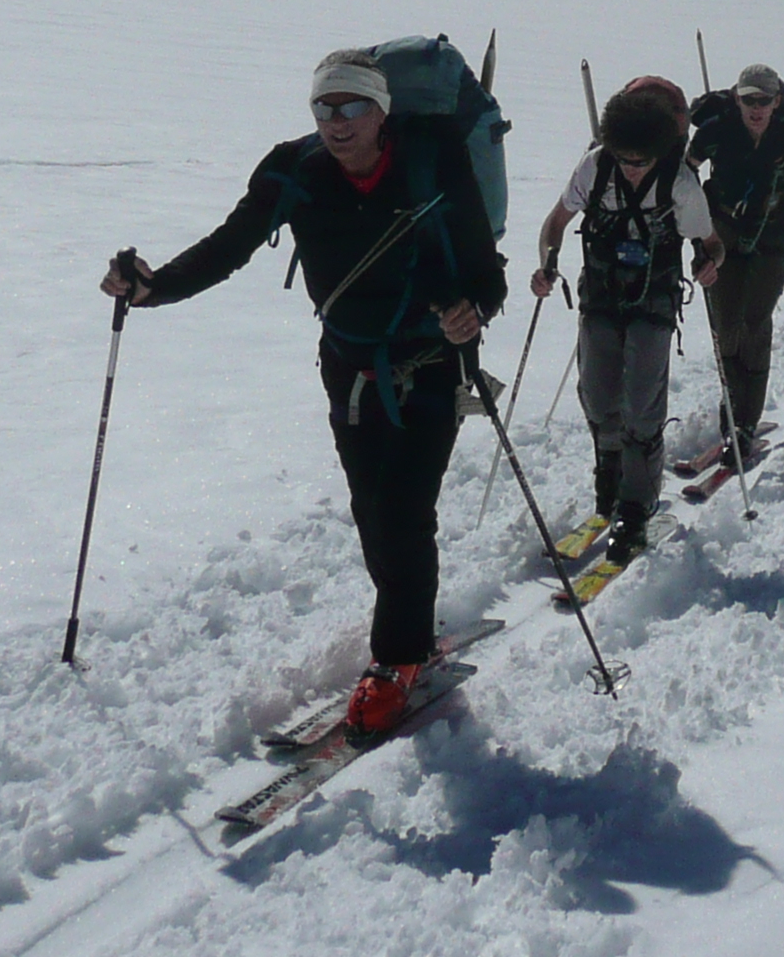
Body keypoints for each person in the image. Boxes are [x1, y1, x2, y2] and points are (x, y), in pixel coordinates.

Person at [100, 48, 506, 737]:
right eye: (325, 108)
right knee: (373, 510)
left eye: (353, 107)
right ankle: (407, 619)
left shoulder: (431, 162)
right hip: (347, 367)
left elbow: (485, 272)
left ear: (383, 112)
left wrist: (473, 309)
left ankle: (397, 657)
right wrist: (152, 287)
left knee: (406, 510)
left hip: (429, 364)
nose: (338, 122)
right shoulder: (295, 173)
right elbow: (228, 247)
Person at [526, 77, 721, 561]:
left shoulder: (680, 181)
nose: (633, 169)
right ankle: (607, 484)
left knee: (642, 404)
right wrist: (547, 262)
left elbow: (709, 241)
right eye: (626, 159)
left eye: (642, 161)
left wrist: (710, 263)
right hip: (600, 294)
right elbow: (555, 222)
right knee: (596, 394)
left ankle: (637, 505)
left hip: (653, 298)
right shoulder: (594, 168)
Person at [686, 62, 784, 466]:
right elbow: (687, 169)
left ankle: (742, 424)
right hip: (722, 235)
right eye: (748, 99)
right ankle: (734, 412)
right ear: (736, 99)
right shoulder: (717, 131)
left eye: (764, 100)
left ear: (777, 101)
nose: (756, 107)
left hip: (772, 239)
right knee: (725, 324)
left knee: (755, 323)